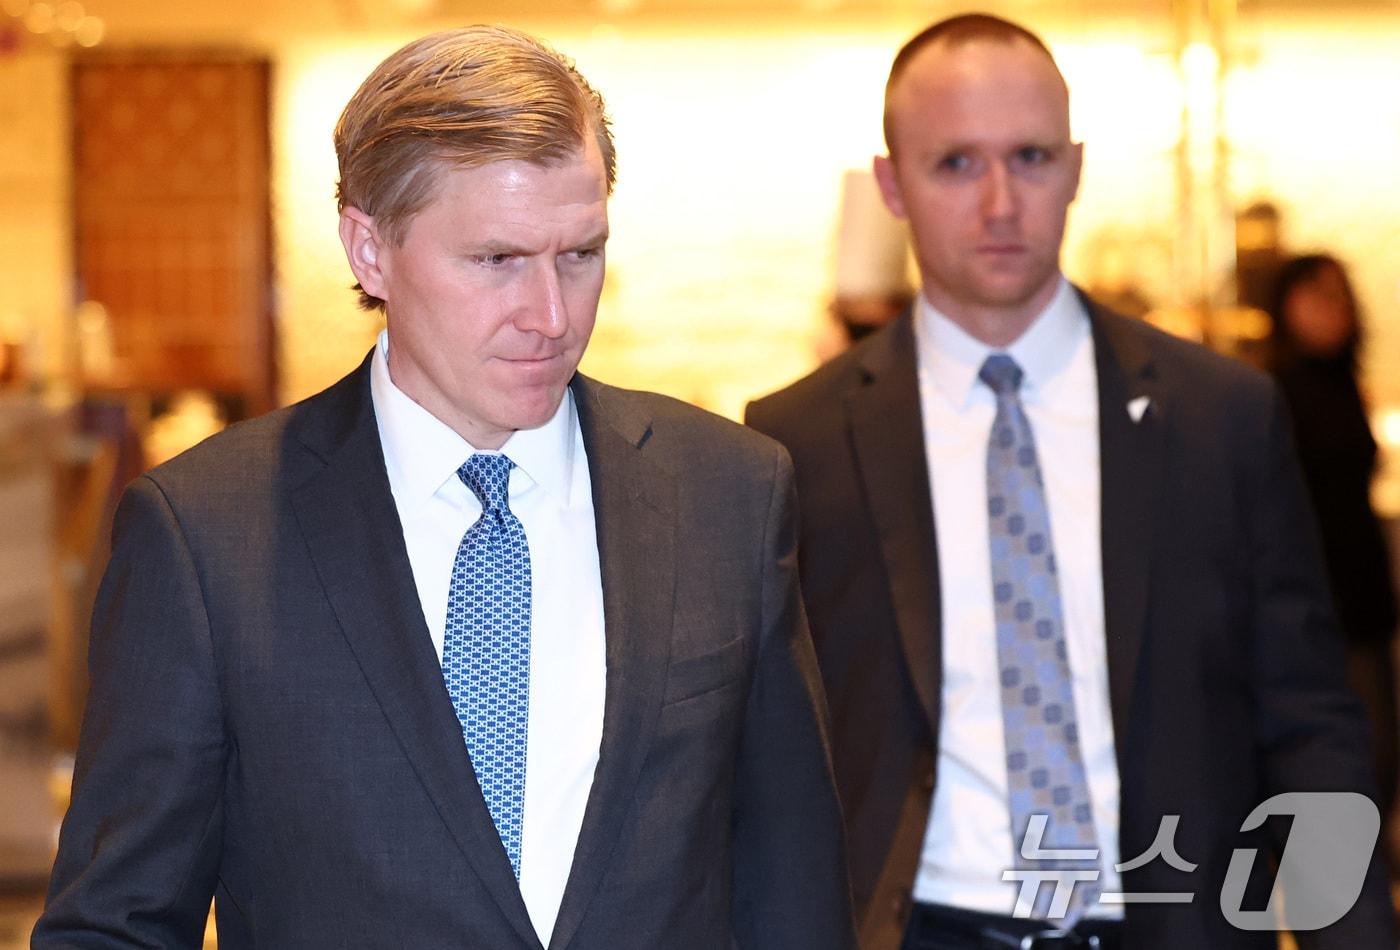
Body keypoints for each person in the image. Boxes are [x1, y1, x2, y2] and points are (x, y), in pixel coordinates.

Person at [35, 26, 854, 950]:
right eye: (497, 260)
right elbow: (118, 923)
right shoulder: (205, 535)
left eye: (580, 255)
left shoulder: (729, 493)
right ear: (369, 251)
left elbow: (795, 893)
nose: (551, 316)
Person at [746, 13, 1394, 950]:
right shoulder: (795, 442)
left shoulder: (1220, 417)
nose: (1000, 202)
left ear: (1078, 167)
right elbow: (764, 755)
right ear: (892, 185)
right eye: (955, 163)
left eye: (1032, 157)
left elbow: (1308, 722)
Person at [1267, 253, 1400, 855]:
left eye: (1340, 294)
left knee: (1377, 754)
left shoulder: (1343, 383)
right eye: (1317, 295)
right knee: (1346, 759)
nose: (1334, 308)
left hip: (1362, 594)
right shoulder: (1275, 394)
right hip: (1315, 605)